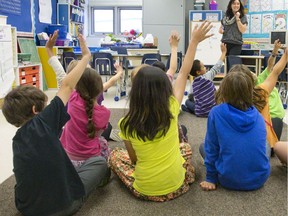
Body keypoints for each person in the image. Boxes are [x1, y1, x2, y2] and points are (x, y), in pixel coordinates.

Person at [2, 33, 110, 215]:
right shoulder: (45, 122)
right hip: (64, 207)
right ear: (36, 110)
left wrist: (48, 52)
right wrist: (86, 57)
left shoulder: (17, 141)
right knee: (100, 163)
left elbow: (63, 80)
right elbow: (67, 85)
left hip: (26, 207)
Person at [108, 21, 213, 201]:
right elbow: (183, 72)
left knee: (115, 155)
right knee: (185, 147)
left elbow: (134, 161)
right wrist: (193, 42)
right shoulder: (172, 108)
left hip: (145, 190)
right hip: (177, 185)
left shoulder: (125, 124)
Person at [46, 30, 123, 142]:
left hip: (68, 135)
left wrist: (49, 50)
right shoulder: (96, 89)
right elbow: (111, 82)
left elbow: (58, 69)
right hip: (92, 127)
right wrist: (120, 72)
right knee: (107, 126)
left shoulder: (68, 91)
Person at [200, 71, 270, 191]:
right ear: (250, 92)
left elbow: (212, 148)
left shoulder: (216, 112)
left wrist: (210, 178)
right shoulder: (258, 115)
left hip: (228, 180)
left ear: (224, 91)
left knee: (203, 146)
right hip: (260, 179)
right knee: (266, 145)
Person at [181, 43, 226, 117]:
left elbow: (190, 96)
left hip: (200, 112)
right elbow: (218, 65)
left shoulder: (193, 84)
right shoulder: (208, 76)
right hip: (213, 110)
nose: (205, 68)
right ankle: (190, 110)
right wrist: (224, 52)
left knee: (187, 101)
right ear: (198, 72)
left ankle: (188, 110)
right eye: (203, 67)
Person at [256, 39, 285, 140]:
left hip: (275, 116)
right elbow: (275, 70)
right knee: (273, 146)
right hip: (271, 116)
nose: (251, 72)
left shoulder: (261, 78)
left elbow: (270, 65)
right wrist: (285, 56)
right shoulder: (258, 87)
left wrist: (275, 50)